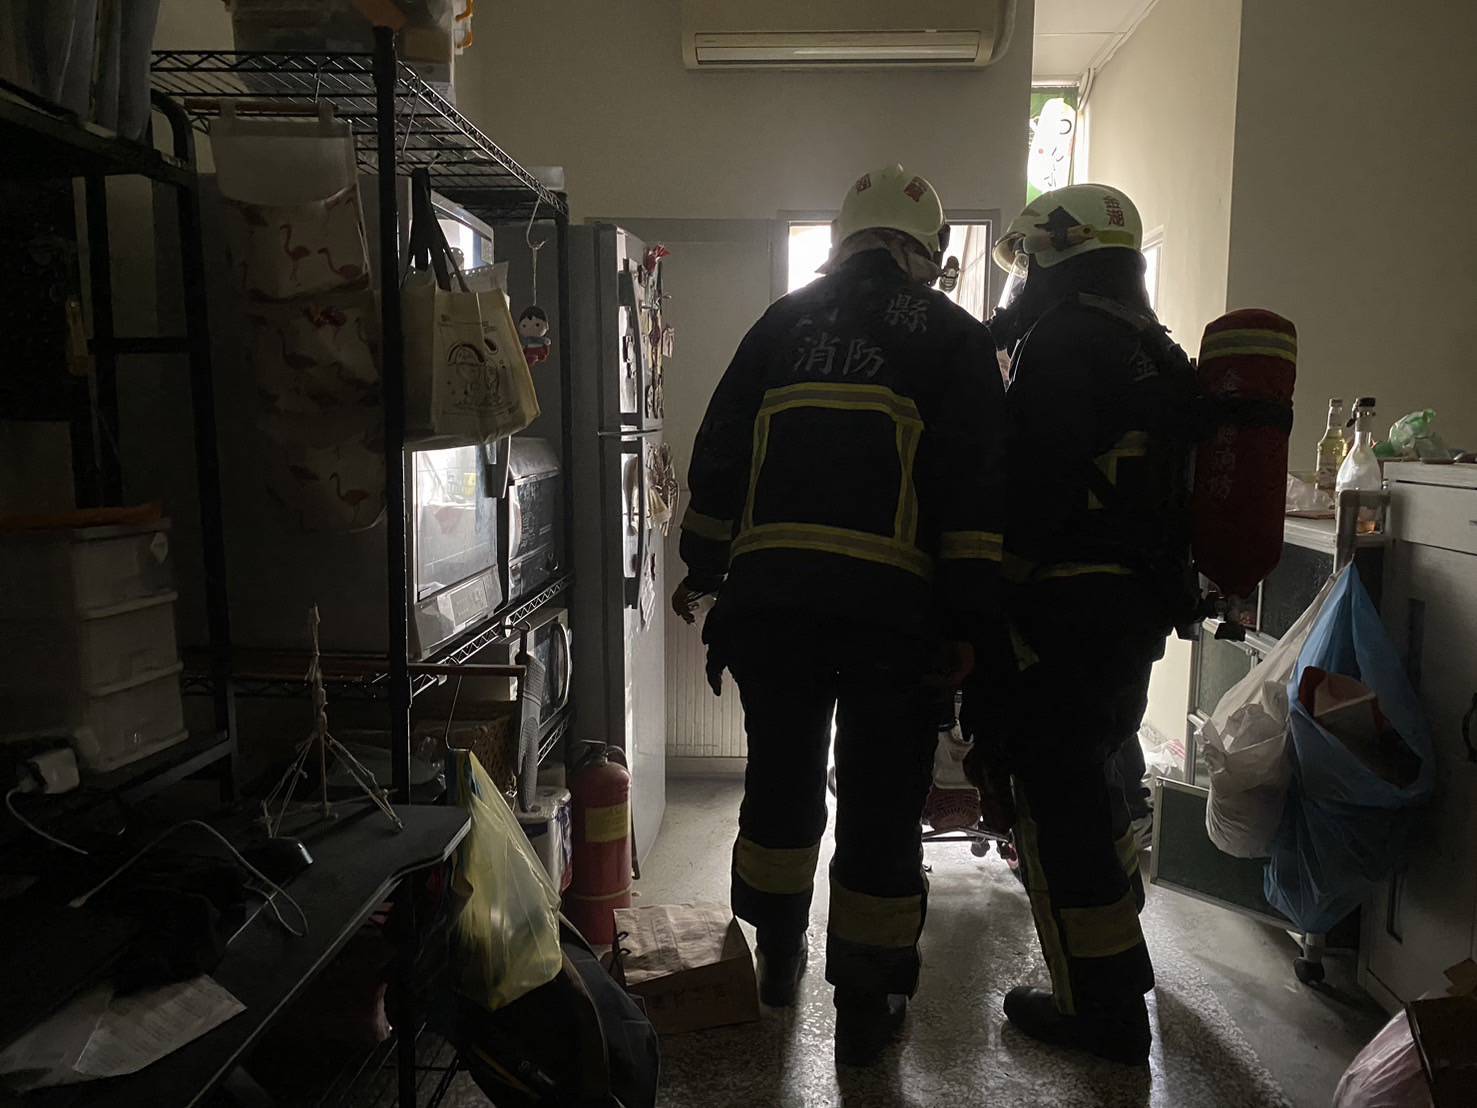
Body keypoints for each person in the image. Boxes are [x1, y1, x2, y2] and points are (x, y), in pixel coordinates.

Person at [672, 164, 1006, 1065]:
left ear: (843, 238)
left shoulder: (780, 324)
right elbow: (976, 495)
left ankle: (776, 960)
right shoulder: (953, 337)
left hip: (772, 612)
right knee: (880, 806)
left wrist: (703, 566)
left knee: (779, 782)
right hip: (891, 623)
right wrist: (969, 623)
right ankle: (865, 1006)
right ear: (926, 252)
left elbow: (718, 455)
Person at [969, 182, 1197, 1065]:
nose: (1018, 283)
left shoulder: (1064, 341)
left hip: (1063, 613)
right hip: (1130, 615)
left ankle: (1102, 1014)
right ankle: (1116, 973)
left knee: (1058, 811)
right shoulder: (1151, 345)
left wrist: (990, 599)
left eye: (1025, 263)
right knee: (1097, 784)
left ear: (1055, 257)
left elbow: (1035, 485)